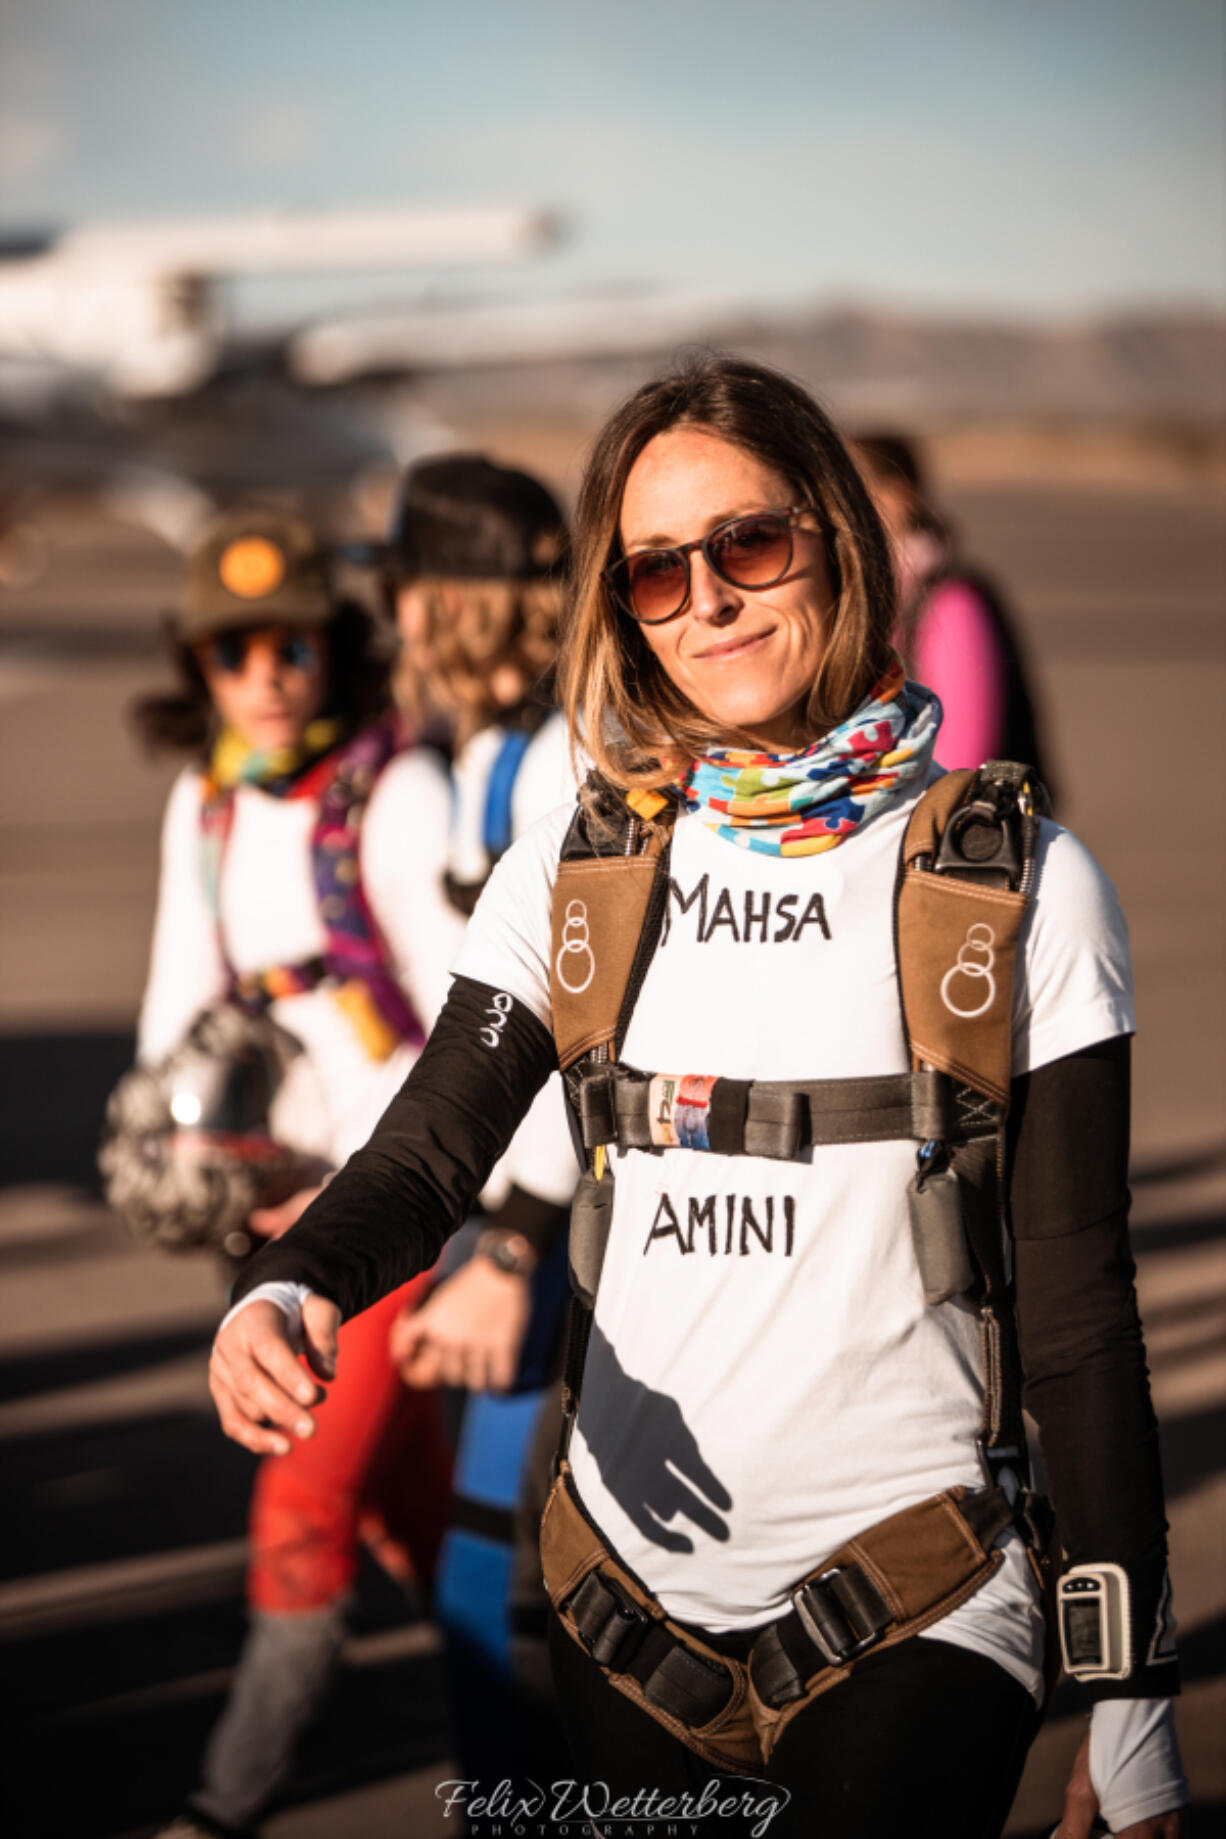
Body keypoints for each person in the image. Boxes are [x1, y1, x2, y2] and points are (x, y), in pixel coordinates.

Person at [206, 362, 1187, 1839]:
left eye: (746, 544)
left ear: (835, 541)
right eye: (653, 571)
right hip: (621, 1622)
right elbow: (426, 1151)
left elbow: (1077, 1309)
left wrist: (1130, 1694)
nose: (706, 602)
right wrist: (287, 1285)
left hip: (916, 1600)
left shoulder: (1015, 881)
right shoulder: (575, 868)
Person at [134, 507, 459, 1839]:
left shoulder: (397, 788)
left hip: (388, 1212)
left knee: (303, 1496)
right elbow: (176, 992)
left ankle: (227, 1803)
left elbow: (461, 1030)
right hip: (262, 1217)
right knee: (417, 1513)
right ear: (198, 668)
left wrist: (378, 1208)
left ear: (337, 646)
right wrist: (168, 1137)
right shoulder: (205, 800)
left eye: (292, 643)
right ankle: (568, 1731)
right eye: (232, 650)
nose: (264, 673)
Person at [380, 452, 579, 1785]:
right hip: (511, 1212)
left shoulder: (559, 761)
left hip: (556, 1221)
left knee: (497, 1578)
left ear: (440, 601)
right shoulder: (478, 754)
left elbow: (578, 1021)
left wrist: (510, 1245)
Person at [855, 430, 1052, 788]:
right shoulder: (865, 598)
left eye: (852, 490)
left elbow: (964, 763)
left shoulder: (952, 601)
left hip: (942, 826)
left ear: (898, 495)